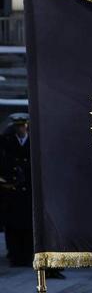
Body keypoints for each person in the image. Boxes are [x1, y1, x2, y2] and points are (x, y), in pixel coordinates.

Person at [0, 113, 33, 267]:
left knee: (27, 225)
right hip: (12, 190)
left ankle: (26, 255)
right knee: (12, 226)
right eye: (17, 126)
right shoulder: (6, 142)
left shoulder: (32, 142)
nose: (20, 128)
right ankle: (14, 255)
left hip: (27, 190)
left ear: (26, 125)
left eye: (22, 125)